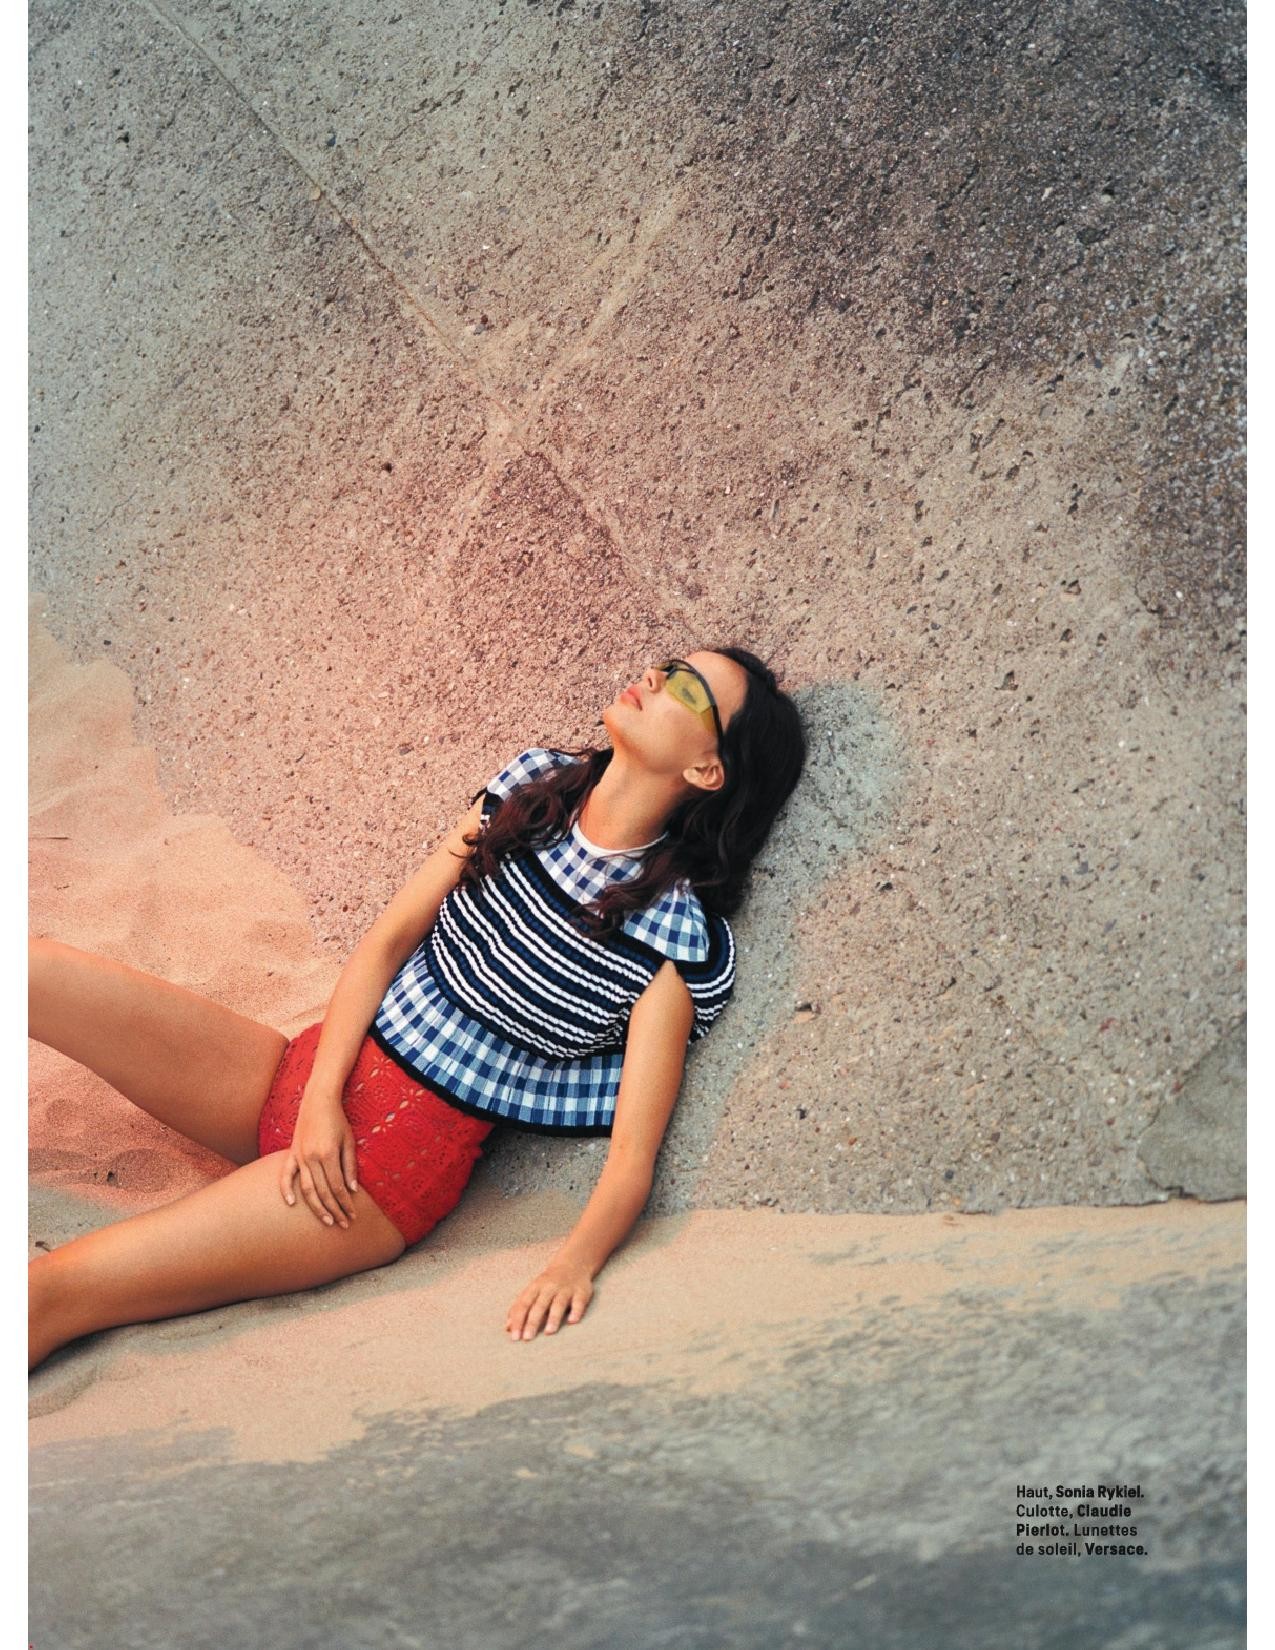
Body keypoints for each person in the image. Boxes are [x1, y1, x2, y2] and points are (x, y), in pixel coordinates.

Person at [28, 648, 806, 1370]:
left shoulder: (666, 942)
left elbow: (634, 1155)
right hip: (304, 1073)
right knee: (31, 968)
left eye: (686, 690)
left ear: (707, 768)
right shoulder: (531, 792)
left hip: (366, 1184)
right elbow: (388, 941)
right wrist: (320, 1097)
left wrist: (573, 1265)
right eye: (667, 665)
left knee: (50, 1291)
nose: (655, 677)